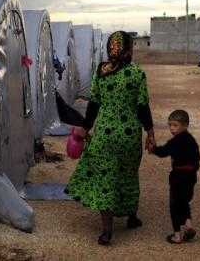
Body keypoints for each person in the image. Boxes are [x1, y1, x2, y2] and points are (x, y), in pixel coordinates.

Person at [65, 31, 155, 245]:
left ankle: (107, 232)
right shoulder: (137, 73)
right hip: (130, 136)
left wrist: (85, 130)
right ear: (129, 50)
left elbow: (93, 104)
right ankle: (132, 218)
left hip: (105, 135)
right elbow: (143, 107)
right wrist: (150, 133)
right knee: (129, 175)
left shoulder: (101, 71)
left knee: (106, 179)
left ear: (110, 49)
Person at [149, 110, 200, 244]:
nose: (171, 128)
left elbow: (163, 152)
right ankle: (188, 225)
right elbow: (197, 160)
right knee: (185, 201)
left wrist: (152, 148)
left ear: (185, 125)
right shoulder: (192, 141)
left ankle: (177, 235)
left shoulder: (175, 141)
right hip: (191, 176)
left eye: (175, 125)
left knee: (175, 205)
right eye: (170, 125)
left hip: (178, 176)